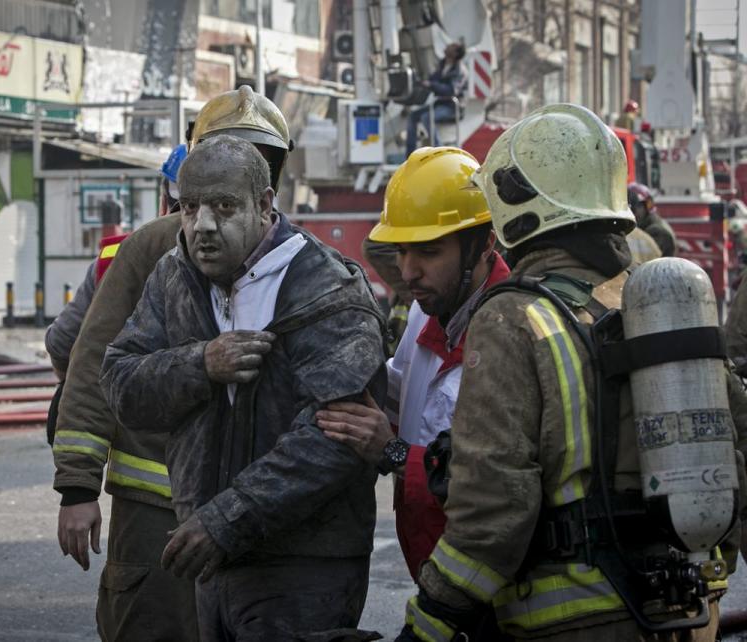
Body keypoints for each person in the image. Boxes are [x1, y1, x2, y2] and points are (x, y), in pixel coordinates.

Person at [401, 103, 747, 641]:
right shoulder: (656, 304)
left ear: (516, 210)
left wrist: (428, 624)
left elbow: (493, 512)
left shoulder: (512, 317)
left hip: (578, 620)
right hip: (692, 610)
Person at [100, 135, 386, 641]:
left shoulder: (329, 288)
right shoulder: (174, 275)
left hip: (302, 563)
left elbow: (335, 438)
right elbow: (120, 383)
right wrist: (199, 363)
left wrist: (225, 520)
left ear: (264, 205)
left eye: (224, 207)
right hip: (209, 556)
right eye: (189, 208)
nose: (202, 225)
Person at [51, 86, 293, 642]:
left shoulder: (296, 256)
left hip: (254, 510)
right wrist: (77, 488)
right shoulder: (151, 248)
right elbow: (90, 362)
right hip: (154, 509)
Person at [316, 147, 509, 584]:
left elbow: (492, 485)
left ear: (485, 245)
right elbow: (402, 401)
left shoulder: (513, 333)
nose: (407, 271)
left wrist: (393, 451)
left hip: (486, 589)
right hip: (435, 572)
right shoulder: (425, 314)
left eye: (428, 251)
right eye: (401, 251)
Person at [44, 144, 186, 444]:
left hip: (139, 470)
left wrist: (76, 389)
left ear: (164, 198)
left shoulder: (116, 256)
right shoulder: (264, 259)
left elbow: (62, 343)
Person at [406, 42, 467, 156]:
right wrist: (422, 82)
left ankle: (438, 151)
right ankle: (410, 154)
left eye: (452, 46)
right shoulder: (443, 64)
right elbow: (433, 79)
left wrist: (432, 85)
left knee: (427, 117)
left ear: (456, 53)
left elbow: (452, 90)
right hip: (439, 104)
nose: (448, 46)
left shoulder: (460, 70)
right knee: (413, 116)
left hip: (452, 107)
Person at [628, 182, 676, 257]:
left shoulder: (656, 231)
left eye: (635, 207)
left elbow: (644, 260)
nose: (631, 212)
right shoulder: (653, 224)